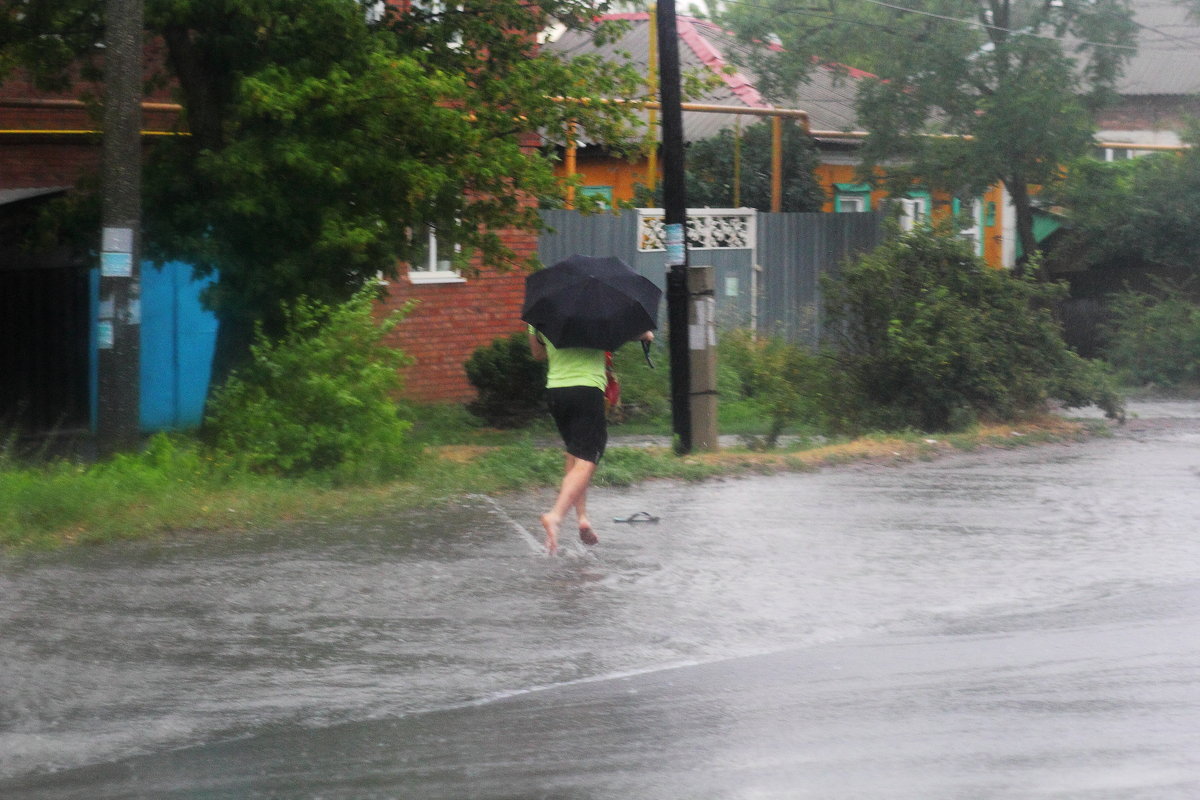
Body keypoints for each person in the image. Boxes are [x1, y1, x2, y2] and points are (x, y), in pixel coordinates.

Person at [529, 326, 654, 554]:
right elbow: (617, 334)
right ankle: (555, 516)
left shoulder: (541, 310)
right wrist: (643, 334)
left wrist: (564, 346)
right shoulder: (593, 308)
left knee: (575, 452)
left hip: (556, 391)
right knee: (588, 457)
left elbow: (537, 353)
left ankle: (582, 518)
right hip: (586, 389)